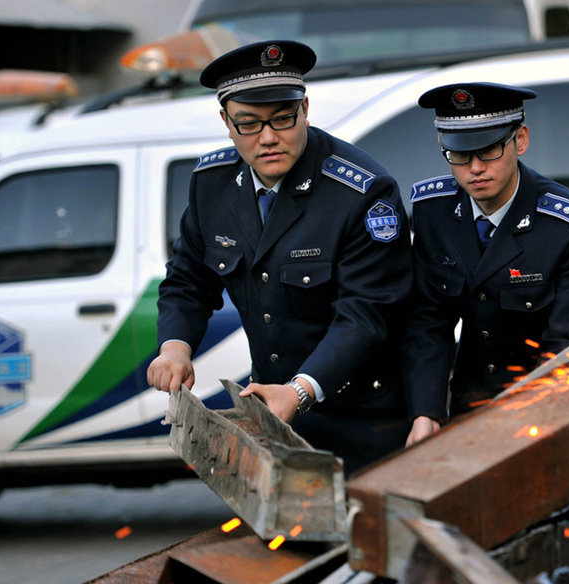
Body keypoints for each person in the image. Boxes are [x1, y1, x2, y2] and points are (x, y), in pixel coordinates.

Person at [146, 40, 413, 475]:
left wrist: (300, 391)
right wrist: (175, 347)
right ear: (226, 123)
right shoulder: (211, 184)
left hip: (366, 419)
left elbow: (367, 314)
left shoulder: (362, 192)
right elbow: (188, 280)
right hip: (275, 417)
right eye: (248, 124)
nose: (268, 138)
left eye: (283, 119)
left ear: (305, 108)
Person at [403, 83, 569, 445]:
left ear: (521, 139)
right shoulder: (432, 212)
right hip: (466, 405)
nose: (475, 169)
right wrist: (427, 412)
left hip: (545, 414)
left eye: (488, 150)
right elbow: (427, 322)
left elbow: (568, 344)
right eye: (458, 155)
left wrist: (525, 423)